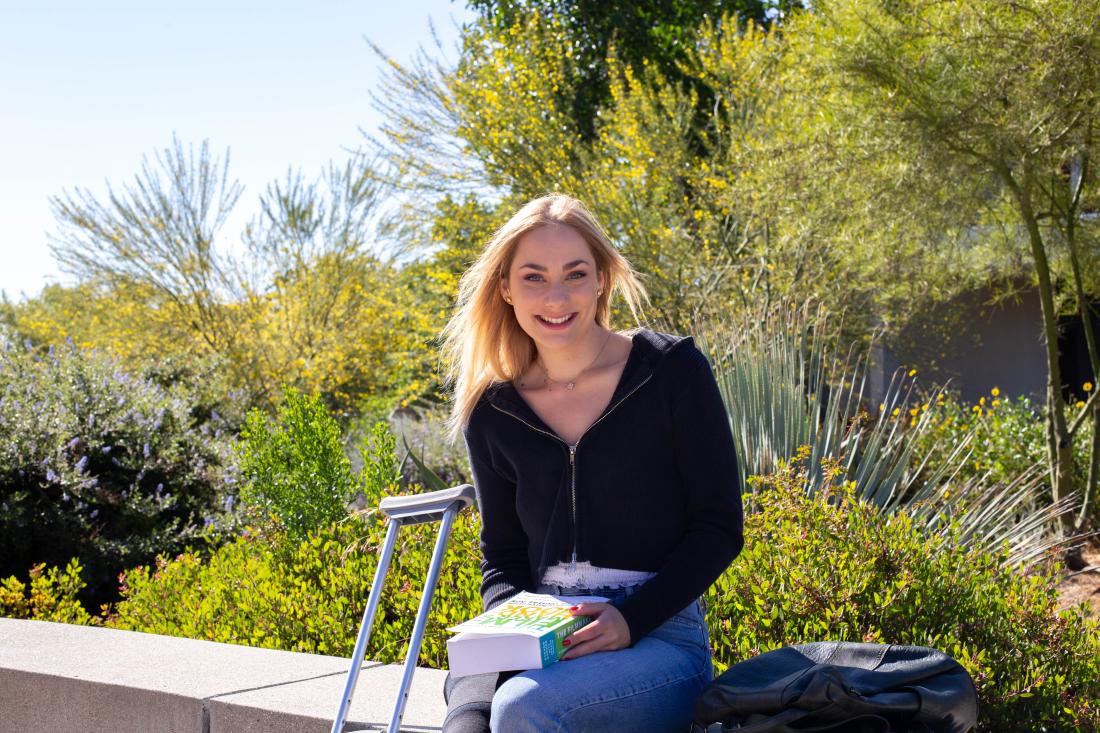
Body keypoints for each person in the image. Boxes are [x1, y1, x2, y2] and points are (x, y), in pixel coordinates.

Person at [439, 193, 744, 733]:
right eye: (533, 277)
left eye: (574, 274)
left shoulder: (669, 373)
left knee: (523, 709)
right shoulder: (493, 410)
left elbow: (719, 527)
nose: (556, 297)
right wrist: (515, 628)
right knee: (469, 719)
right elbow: (503, 559)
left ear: (602, 278)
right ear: (505, 288)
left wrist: (631, 618)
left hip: (658, 637)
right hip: (540, 632)